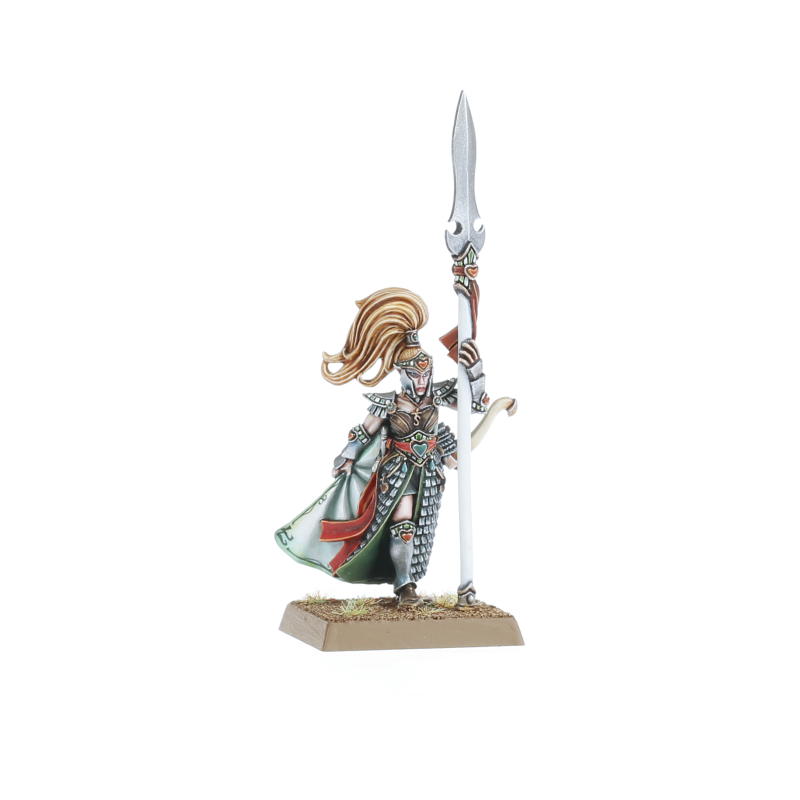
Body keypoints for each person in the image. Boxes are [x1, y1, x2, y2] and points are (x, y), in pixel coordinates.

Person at [274, 287, 488, 606]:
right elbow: (363, 432)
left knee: (422, 528)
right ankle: (404, 587)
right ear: (400, 373)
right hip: (398, 471)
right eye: (414, 374)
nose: (421, 381)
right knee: (403, 524)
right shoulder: (388, 403)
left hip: (430, 471)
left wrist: (474, 370)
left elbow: (477, 404)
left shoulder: (438, 396)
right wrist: (347, 456)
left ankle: (410, 578)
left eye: (426, 374)